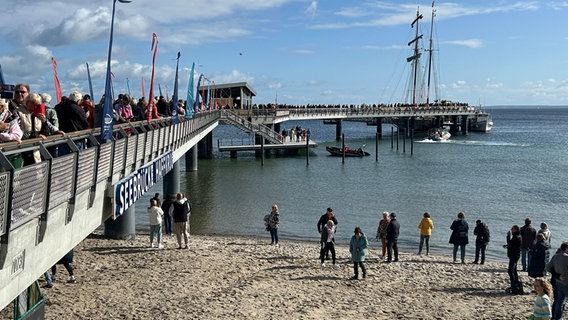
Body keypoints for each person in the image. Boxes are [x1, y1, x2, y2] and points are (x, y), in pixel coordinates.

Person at [546, 242, 568, 319]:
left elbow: (547, 268)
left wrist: (557, 276)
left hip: (558, 282)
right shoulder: (566, 257)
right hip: (565, 283)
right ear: (566, 249)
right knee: (560, 301)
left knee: (559, 301)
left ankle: (556, 318)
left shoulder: (555, 256)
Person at [505, 225, 522, 294]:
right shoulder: (517, 236)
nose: (511, 230)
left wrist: (508, 237)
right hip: (514, 255)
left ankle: (514, 284)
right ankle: (515, 284)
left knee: (510, 270)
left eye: (512, 229)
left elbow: (511, 244)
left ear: (516, 230)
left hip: (514, 256)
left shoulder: (517, 237)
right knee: (514, 270)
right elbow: (511, 245)